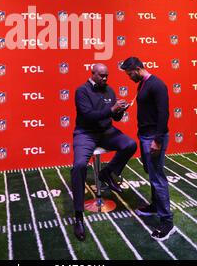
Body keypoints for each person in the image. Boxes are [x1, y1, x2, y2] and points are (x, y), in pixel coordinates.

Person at [71, 63, 137, 241]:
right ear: (92, 74)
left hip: (107, 132)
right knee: (78, 166)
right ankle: (78, 216)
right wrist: (111, 109)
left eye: (107, 76)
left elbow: (114, 117)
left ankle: (107, 173)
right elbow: (88, 116)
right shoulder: (81, 91)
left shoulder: (110, 90)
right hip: (85, 133)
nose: (105, 79)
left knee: (130, 144)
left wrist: (120, 111)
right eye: (101, 76)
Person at [120, 57, 176, 241]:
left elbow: (164, 113)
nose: (129, 77)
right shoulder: (143, 83)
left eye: (129, 73)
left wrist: (158, 140)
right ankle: (154, 205)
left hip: (153, 137)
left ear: (137, 68)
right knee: (151, 172)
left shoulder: (157, 85)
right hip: (145, 136)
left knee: (157, 177)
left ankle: (167, 223)